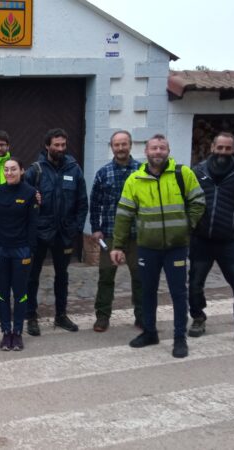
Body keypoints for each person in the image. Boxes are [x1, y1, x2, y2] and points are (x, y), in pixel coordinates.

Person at [111, 134, 205, 359]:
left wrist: (187, 225)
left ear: (168, 150)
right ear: (146, 152)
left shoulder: (183, 174)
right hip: (147, 247)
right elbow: (124, 215)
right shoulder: (135, 180)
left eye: (162, 148)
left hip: (176, 247)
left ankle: (179, 338)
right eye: (154, 148)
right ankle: (150, 332)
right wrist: (118, 245)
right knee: (147, 292)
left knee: (178, 293)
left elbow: (199, 202)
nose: (158, 152)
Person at [188, 132, 234, 346]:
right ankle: (198, 319)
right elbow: (188, 200)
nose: (223, 152)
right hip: (201, 241)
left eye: (228, 149)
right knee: (194, 284)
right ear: (212, 147)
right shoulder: (198, 172)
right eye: (220, 148)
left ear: (233, 150)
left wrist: (232, 221)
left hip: (229, 242)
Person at [24, 128, 88, 335]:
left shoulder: (74, 169)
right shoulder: (35, 170)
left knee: (62, 276)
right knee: (32, 276)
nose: (60, 148)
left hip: (64, 234)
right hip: (41, 233)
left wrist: (77, 228)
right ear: (47, 146)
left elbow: (82, 202)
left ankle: (61, 315)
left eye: (63, 145)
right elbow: (23, 200)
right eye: (56, 145)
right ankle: (31, 316)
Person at [89, 130, 143, 332]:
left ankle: (142, 316)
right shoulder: (103, 173)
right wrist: (96, 228)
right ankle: (102, 317)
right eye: (116, 145)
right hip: (110, 234)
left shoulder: (142, 170)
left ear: (130, 145)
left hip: (137, 235)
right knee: (105, 277)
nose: (120, 148)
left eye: (124, 144)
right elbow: (95, 204)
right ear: (111, 147)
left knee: (140, 277)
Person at [0, 158, 39, 351]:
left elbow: (33, 224)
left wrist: (31, 249)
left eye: (13, 169)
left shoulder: (30, 193)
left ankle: (17, 333)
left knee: (20, 294)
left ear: (22, 171)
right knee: (2, 294)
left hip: (21, 250)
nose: (9, 173)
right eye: (6, 170)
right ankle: (5, 333)